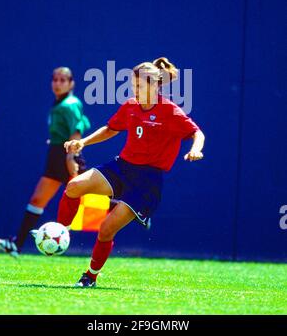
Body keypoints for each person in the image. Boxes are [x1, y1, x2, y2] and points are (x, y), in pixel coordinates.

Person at [57, 57, 205, 287]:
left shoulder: (170, 111)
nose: (135, 90)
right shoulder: (131, 106)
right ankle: (59, 233)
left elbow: (197, 133)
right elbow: (111, 129)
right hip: (122, 167)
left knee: (106, 229)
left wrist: (196, 149)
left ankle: (90, 276)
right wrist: (83, 142)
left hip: (147, 182)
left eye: (139, 86)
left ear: (155, 85)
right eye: (133, 85)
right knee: (74, 186)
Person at [0, 67, 91, 257]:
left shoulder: (70, 104)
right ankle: (16, 244)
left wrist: (70, 157)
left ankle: (130, 207)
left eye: (63, 80)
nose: (58, 83)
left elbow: (77, 131)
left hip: (67, 156)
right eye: (55, 79)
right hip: (56, 155)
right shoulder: (60, 103)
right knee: (38, 199)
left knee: (88, 197)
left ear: (71, 84)